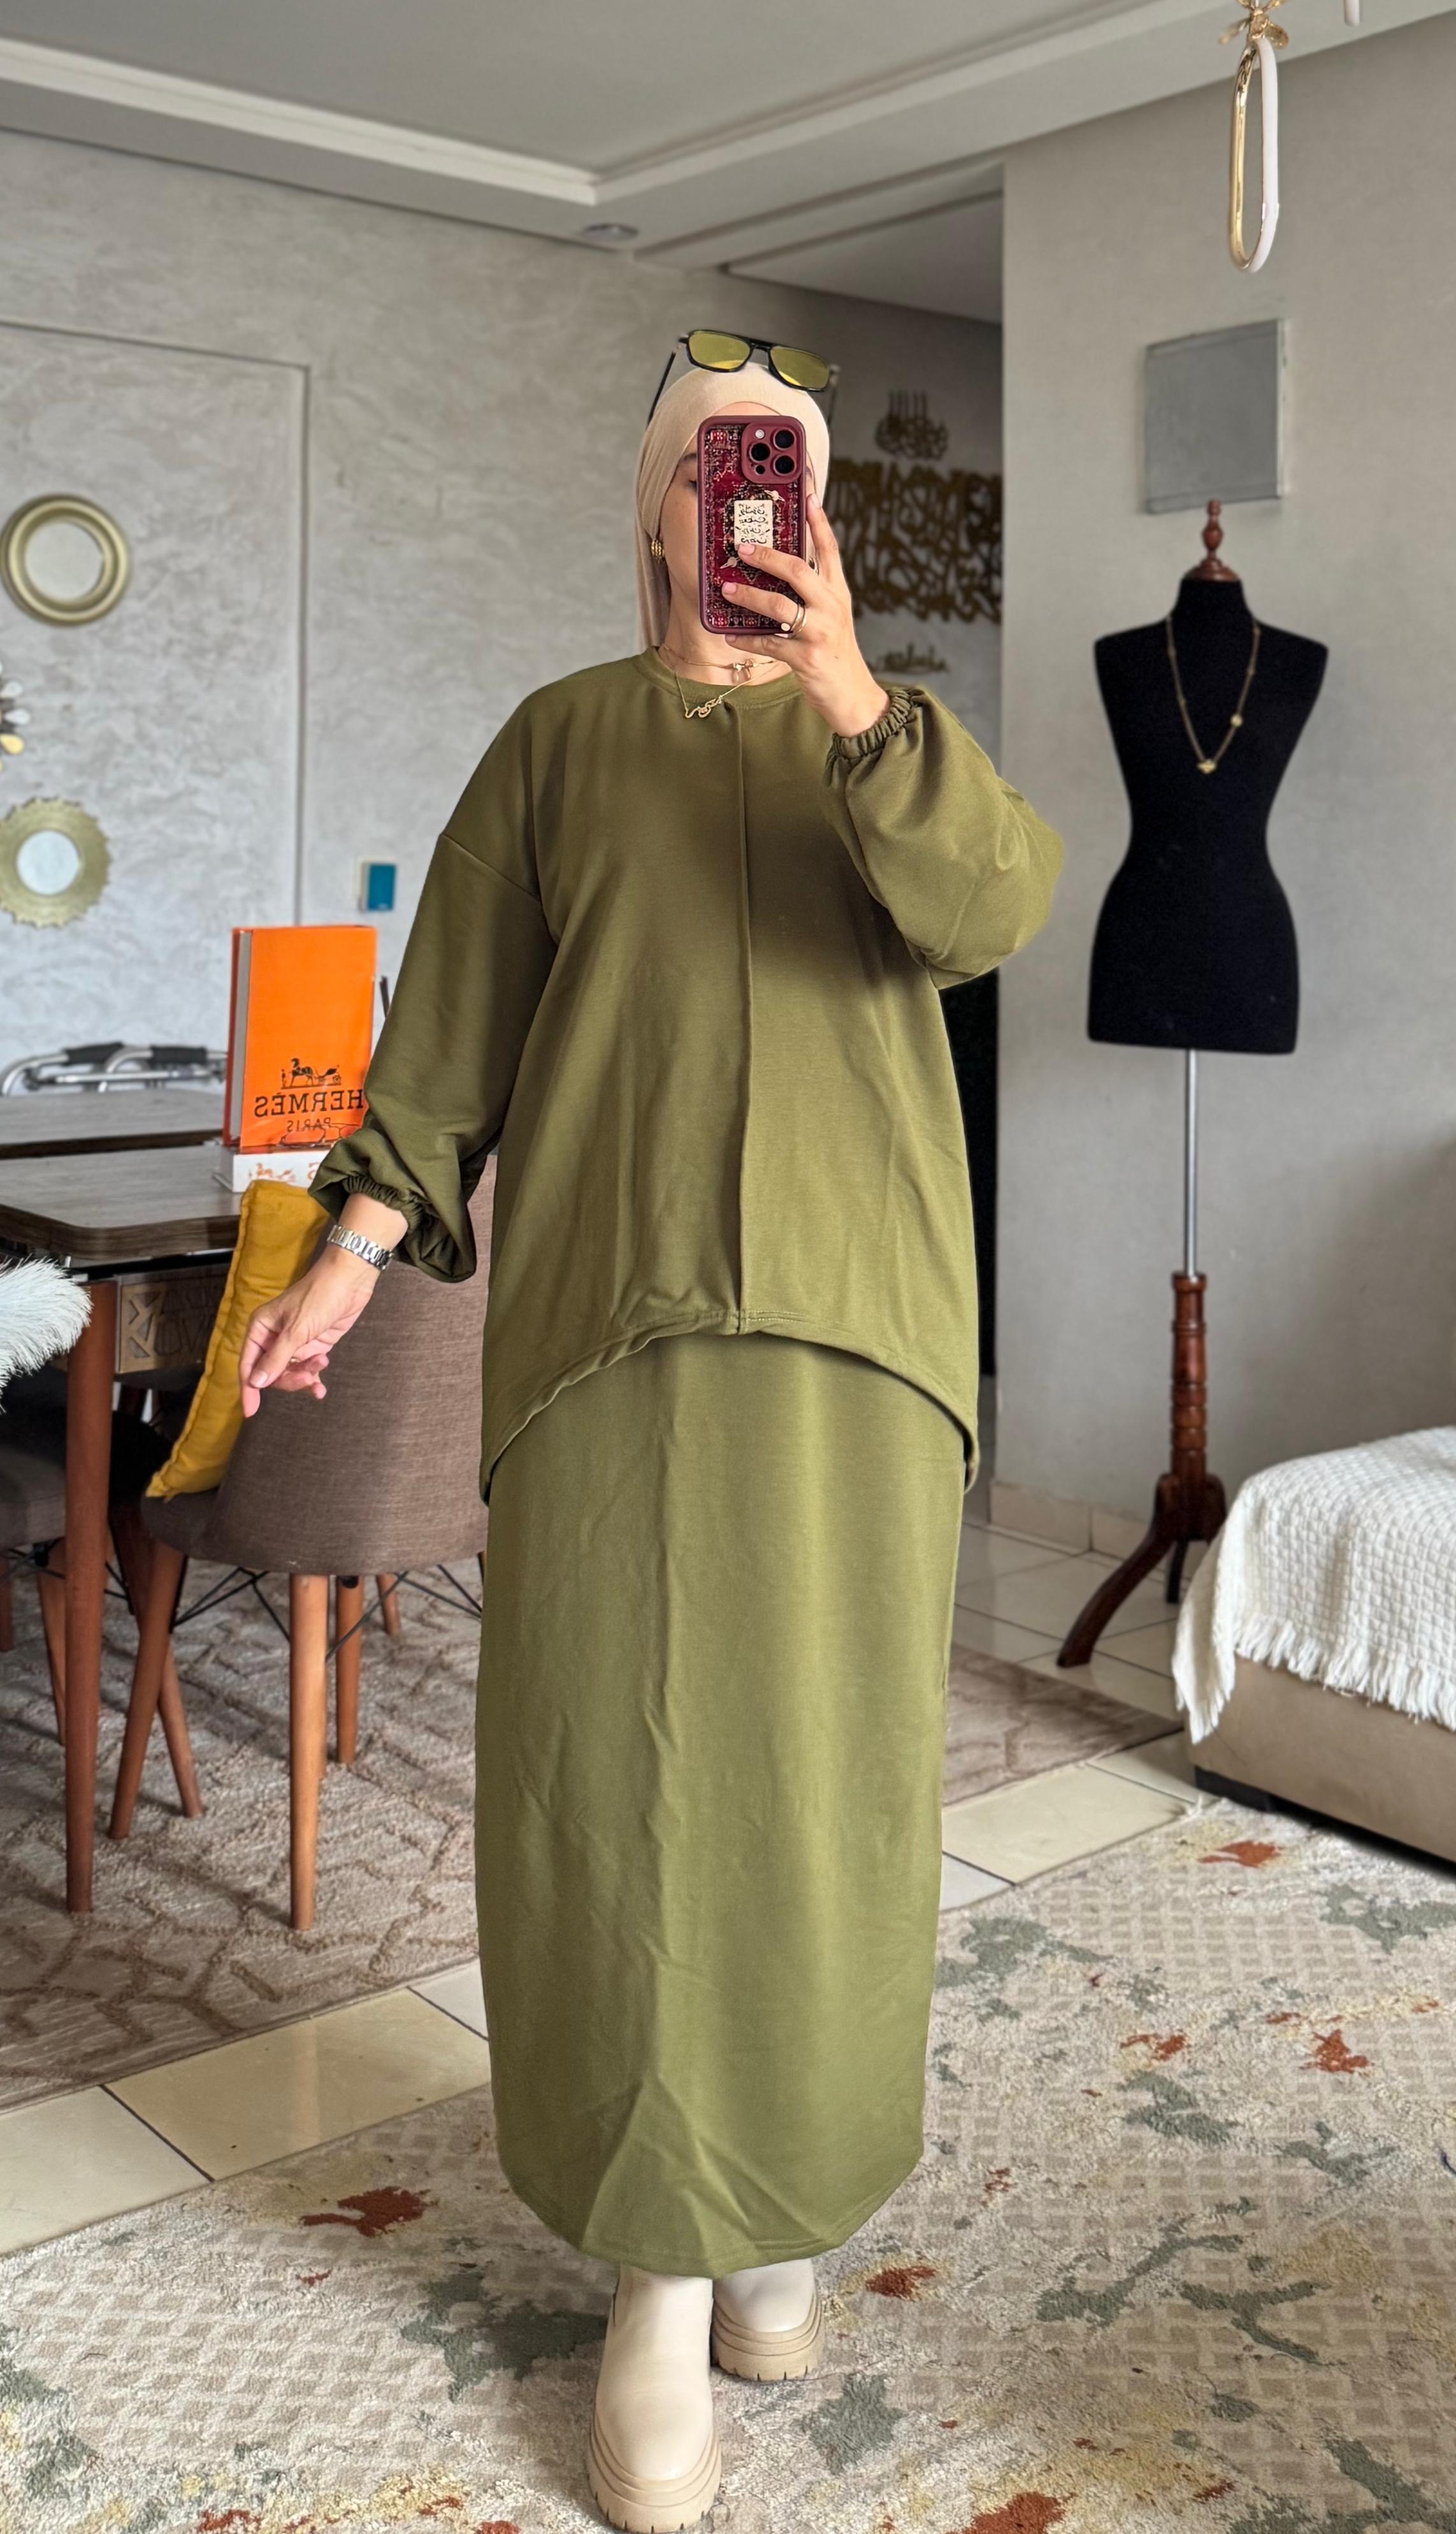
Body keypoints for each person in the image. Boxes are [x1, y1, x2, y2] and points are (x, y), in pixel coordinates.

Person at [238, 354, 1063, 2534]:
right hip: (604, 1342)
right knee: (619, 1784)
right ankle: (660, 2266)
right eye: (717, 465)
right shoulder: (559, 742)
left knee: (826, 1791)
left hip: (861, 1339)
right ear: (657, 502)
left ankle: (792, 2209)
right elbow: (445, 1049)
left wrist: (854, 691)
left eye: (778, 468)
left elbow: (988, 913)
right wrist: (348, 1257)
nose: (744, 501)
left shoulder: (888, 742)